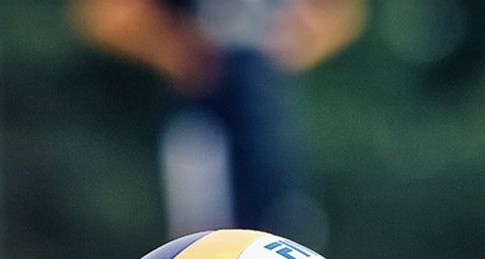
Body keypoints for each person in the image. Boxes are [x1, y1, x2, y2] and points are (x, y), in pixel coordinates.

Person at [72, 0, 366, 244]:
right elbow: (104, 15)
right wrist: (172, 51)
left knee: (283, 230)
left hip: (266, 117)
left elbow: (342, 14)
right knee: (201, 238)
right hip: (200, 115)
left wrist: (284, 53)